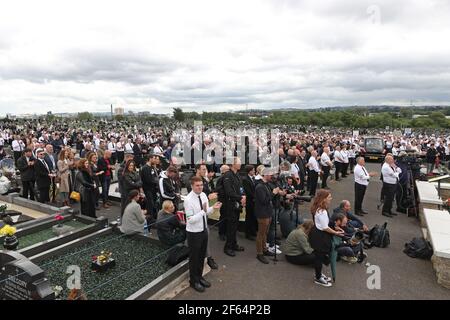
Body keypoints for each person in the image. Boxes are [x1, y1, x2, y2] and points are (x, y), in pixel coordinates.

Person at [184, 176, 222, 293]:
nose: (200, 187)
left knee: (201, 256)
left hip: (204, 229)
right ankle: (193, 280)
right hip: (194, 233)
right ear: (192, 186)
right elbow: (190, 219)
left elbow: (206, 212)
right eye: (197, 185)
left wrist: (213, 208)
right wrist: (204, 212)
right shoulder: (188, 200)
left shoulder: (204, 195)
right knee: (194, 258)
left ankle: (199, 277)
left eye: (201, 185)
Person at [309, 189, 344, 287]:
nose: (331, 198)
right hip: (320, 236)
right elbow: (325, 227)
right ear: (323, 199)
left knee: (319, 256)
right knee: (319, 258)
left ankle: (318, 274)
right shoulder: (322, 211)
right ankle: (318, 277)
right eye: (329, 197)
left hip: (316, 234)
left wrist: (334, 226)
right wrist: (336, 232)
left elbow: (325, 223)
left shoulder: (317, 207)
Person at [255, 168, 280, 264]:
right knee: (261, 234)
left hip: (268, 212)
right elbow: (264, 200)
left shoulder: (266, 185)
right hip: (262, 213)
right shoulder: (259, 186)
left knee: (265, 233)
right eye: (270, 175)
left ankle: (264, 249)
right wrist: (273, 193)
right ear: (265, 175)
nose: (272, 176)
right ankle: (259, 253)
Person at [223, 157, 246, 257]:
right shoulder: (228, 175)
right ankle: (228, 247)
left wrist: (243, 196)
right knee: (230, 227)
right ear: (233, 164)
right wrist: (240, 198)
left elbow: (240, 188)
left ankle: (234, 244)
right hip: (231, 205)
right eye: (238, 163)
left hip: (237, 204)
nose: (240, 164)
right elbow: (229, 192)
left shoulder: (237, 175)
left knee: (235, 226)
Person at [140, 153, 162, 219]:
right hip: (148, 189)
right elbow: (148, 180)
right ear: (150, 159)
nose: (155, 160)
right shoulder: (145, 168)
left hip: (153, 189)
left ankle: (154, 216)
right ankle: (150, 218)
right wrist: (157, 181)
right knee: (150, 204)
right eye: (154, 158)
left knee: (154, 203)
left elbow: (154, 177)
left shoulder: (152, 167)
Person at [242, 165, 257, 240]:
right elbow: (248, 192)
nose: (254, 171)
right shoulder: (245, 179)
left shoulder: (253, 178)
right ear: (249, 171)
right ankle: (248, 234)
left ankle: (252, 231)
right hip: (249, 202)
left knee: (253, 217)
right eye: (253, 170)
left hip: (254, 201)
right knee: (249, 217)